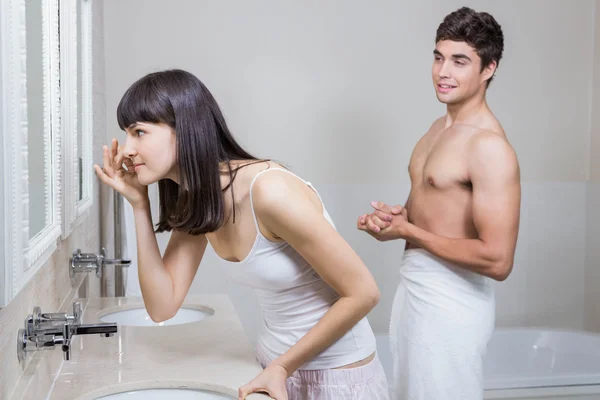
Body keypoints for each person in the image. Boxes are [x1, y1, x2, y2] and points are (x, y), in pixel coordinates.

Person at [94, 69, 389, 400]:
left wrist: (282, 367)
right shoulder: (201, 199)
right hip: (273, 367)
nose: (128, 149)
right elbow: (162, 307)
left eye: (139, 132)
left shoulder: (269, 191)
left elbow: (364, 292)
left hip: (337, 376)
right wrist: (139, 206)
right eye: (126, 133)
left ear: (184, 130)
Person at [357, 7, 520, 400]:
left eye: (459, 61)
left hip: (453, 302)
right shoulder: (437, 128)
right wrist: (399, 219)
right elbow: (434, 211)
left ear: (488, 69)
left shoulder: (489, 147)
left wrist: (410, 231)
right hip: (416, 290)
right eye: (438, 56)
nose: (443, 71)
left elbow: (498, 260)